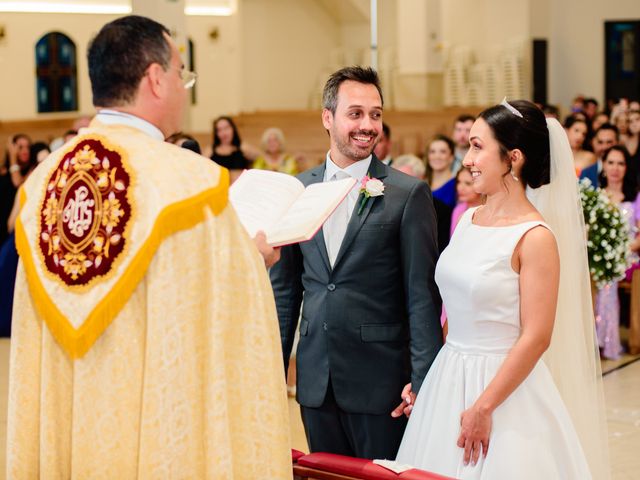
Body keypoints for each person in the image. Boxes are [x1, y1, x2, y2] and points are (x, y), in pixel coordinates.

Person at [6, 15, 290, 479]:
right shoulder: (188, 185)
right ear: (156, 79)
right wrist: (252, 261)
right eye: (182, 72)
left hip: (73, 430)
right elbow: (224, 310)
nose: (184, 85)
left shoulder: (44, 186)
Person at [396, 100, 609, 479]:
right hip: (449, 375)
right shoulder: (469, 220)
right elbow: (457, 310)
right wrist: (428, 380)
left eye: (478, 147)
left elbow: (537, 336)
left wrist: (484, 406)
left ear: (513, 158)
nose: (467, 160)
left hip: (503, 389)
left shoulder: (535, 237)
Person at [270, 66, 442, 460]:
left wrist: (424, 381)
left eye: (376, 114)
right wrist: (272, 374)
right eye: (356, 113)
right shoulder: (298, 189)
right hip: (315, 383)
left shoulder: (407, 194)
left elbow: (421, 296)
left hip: (382, 384)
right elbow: (285, 294)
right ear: (327, 118)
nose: (368, 125)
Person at [595, 145, 639, 360]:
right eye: (611, 162)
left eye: (621, 163)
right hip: (601, 256)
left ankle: (605, 339)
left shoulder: (635, 197)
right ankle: (591, 336)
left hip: (628, 257)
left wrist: (620, 250)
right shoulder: (596, 196)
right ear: (604, 165)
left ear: (627, 167)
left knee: (609, 276)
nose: (615, 168)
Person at [209, 115, 249, 183]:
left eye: (226, 128)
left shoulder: (243, 147)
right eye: (219, 130)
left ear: (233, 129)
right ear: (216, 134)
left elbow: (263, 158)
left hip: (239, 188)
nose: (224, 133)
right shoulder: (210, 150)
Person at [425, 135, 457, 208]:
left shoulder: (457, 185)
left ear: (451, 157)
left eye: (443, 152)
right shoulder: (422, 183)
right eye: (432, 152)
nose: (437, 156)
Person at [450, 167, 482, 235]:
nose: (460, 188)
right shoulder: (458, 210)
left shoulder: (489, 210)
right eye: (458, 182)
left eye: (468, 183)